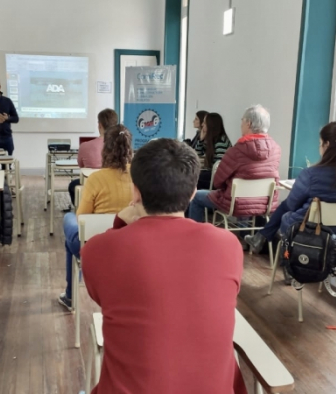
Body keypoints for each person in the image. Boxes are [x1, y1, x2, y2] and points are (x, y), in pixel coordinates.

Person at [81, 139, 247, 393]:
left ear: (135, 192)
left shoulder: (97, 250)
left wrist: (120, 224)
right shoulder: (228, 245)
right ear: (193, 192)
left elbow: (107, 294)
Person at [245, 121, 336, 281]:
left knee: (286, 212)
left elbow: (292, 204)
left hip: (309, 234)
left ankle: (288, 264)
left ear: (326, 145)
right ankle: (262, 238)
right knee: (292, 210)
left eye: (320, 144)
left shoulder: (312, 174)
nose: (319, 148)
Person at [57, 125, 134, 309]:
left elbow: (81, 217)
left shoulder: (96, 179)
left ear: (105, 149)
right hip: (131, 245)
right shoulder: (140, 176)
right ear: (130, 148)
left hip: (97, 245)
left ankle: (70, 296)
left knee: (69, 221)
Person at [188, 105, 280, 223]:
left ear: (249, 124)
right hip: (265, 203)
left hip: (236, 203)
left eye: (242, 121)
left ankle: (194, 235)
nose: (240, 125)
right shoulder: (276, 149)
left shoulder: (237, 151)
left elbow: (217, 181)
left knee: (196, 196)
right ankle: (247, 235)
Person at [66, 108, 119, 209]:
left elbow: (81, 166)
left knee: (72, 185)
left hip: (91, 186)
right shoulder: (122, 146)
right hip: (115, 186)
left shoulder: (85, 146)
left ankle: (80, 211)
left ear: (100, 125)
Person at [192, 112, 232, 189]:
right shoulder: (211, 139)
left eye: (204, 122)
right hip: (212, 174)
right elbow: (197, 154)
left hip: (219, 178)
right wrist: (201, 140)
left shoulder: (221, 141)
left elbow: (218, 167)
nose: (202, 125)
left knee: (192, 178)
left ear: (211, 125)